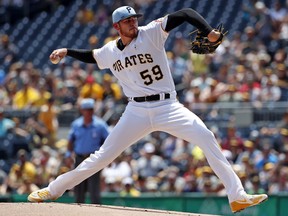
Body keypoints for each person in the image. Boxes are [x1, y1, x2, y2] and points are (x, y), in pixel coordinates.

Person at [28, 6, 268, 213]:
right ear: (116, 26)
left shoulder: (152, 32)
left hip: (168, 106)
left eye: (134, 19)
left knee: (206, 136)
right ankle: (53, 190)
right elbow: (92, 56)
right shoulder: (110, 51)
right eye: (127, 21)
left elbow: (185, 13)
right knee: (101, 157)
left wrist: (209, 31)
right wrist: (67, 52)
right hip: (136, 112)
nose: (134, 23)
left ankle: (236, 196)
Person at [64, 98, 109, 204]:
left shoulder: (100, 125)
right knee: (79, 187)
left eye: (90, 109)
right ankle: (78, 212)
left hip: (94, 158)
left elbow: (108, 141)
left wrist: (106, 157)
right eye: (86, 109)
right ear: (81, 110)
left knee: (94, 187)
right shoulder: (76, 124)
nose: (88, 112)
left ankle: (96, 212)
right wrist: (68, 154)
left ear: (93, 110)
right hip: (79, 158)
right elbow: (71, 141)